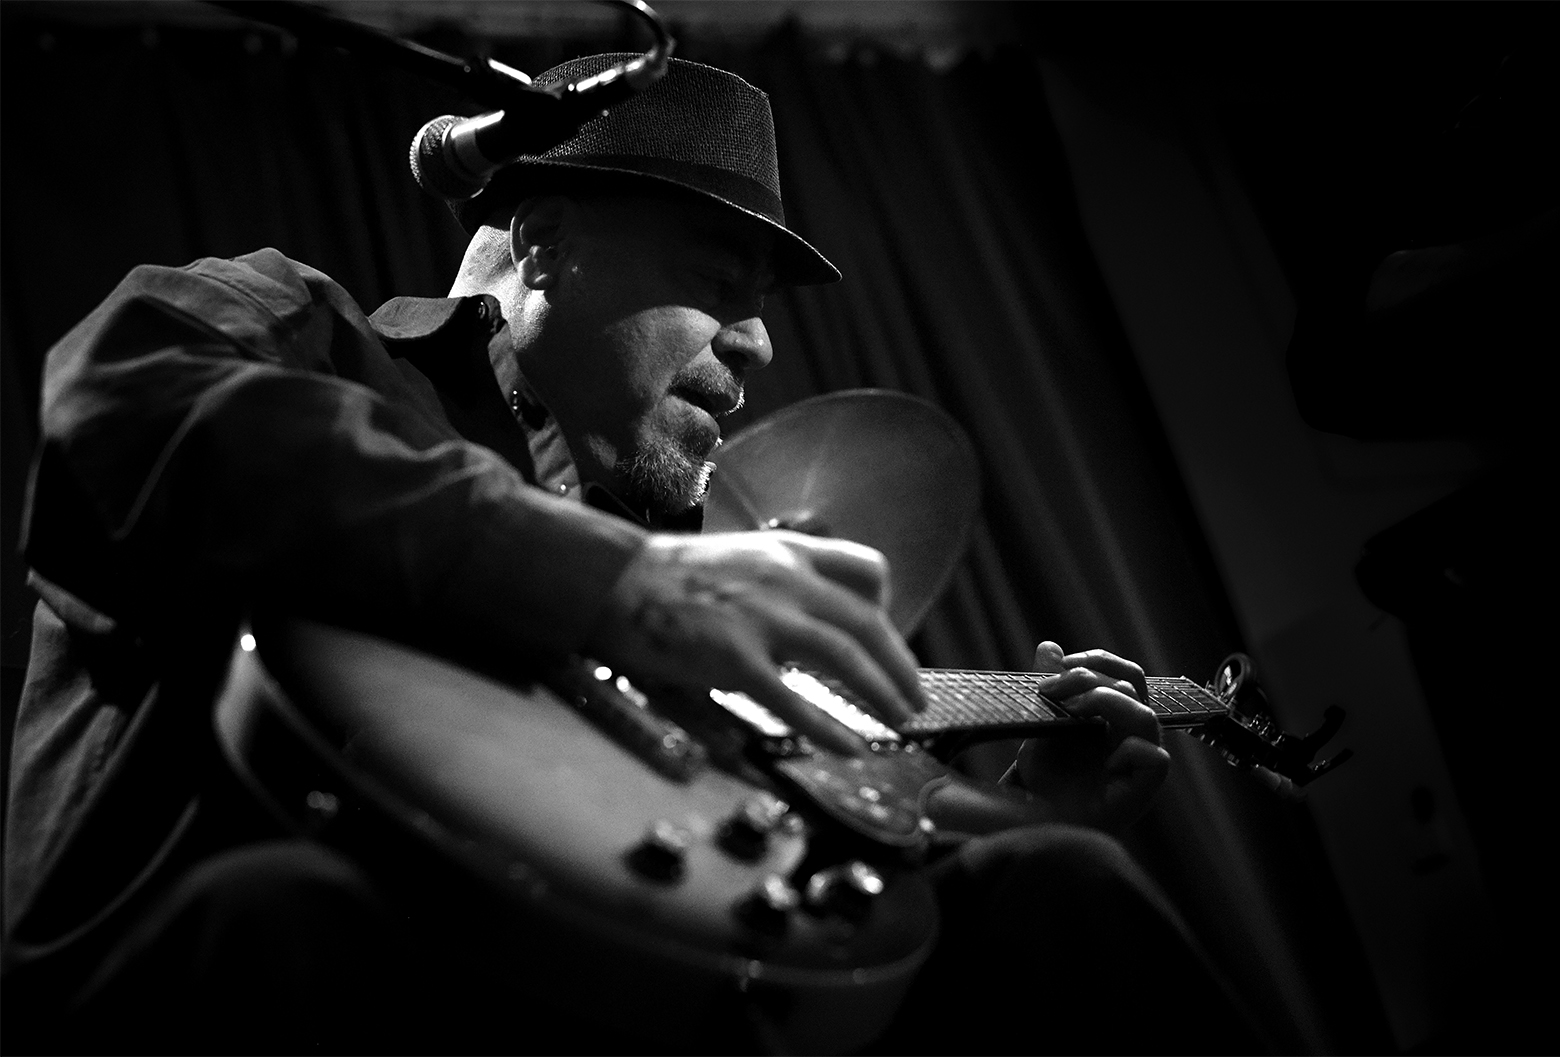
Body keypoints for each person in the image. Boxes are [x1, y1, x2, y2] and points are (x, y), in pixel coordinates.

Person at [2, 54, 1261, 1053]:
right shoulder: (298, 331)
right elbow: (123, 413)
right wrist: (621, 588)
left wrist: (997, 818)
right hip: (200, 978)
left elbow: (729, 883)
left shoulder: (678, 565)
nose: (763, 346)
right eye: (722, 281)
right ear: (543, 240)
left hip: (578, 997)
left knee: (1053, 891)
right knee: (291, 919)